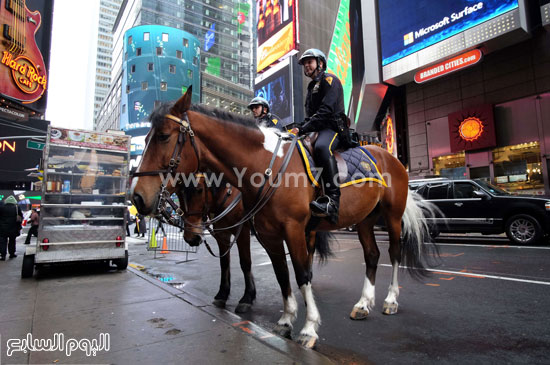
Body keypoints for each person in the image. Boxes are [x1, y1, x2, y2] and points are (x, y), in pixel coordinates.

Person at [290, 48, 346, 224]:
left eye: (310, 62)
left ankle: (332, 200)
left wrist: (303, 128)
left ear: (320, 63)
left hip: (332, 128)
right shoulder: (311, 86)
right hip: (317, 129)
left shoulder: (330, 80)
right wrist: (298, 128)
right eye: (305, 63)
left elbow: (325, 112)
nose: (306, 65)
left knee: (321, 148)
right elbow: (310, 117)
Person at [0, 196, 23, 260]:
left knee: (2, 241)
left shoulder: (1, 207)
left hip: (2, 228)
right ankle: (12, 254)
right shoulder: (16, 207)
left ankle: (3, 255)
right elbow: (21, 217)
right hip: (13, 227)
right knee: (12, 241)